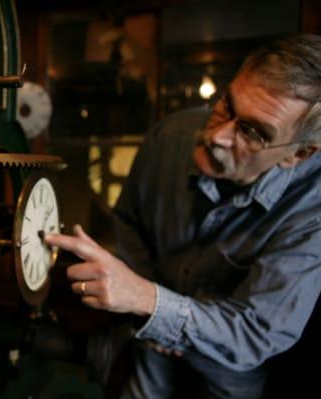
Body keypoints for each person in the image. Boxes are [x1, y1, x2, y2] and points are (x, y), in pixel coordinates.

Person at [45, 34, 321, 399]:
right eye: (226, 104)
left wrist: (152, 303)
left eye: (252, 132)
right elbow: (130, 222)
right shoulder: (168, 139)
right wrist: (150, 314)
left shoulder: (312, 209)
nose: (218, 135)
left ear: (297, 154)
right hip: (148, 348)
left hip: (229, 374)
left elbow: (257, 332)